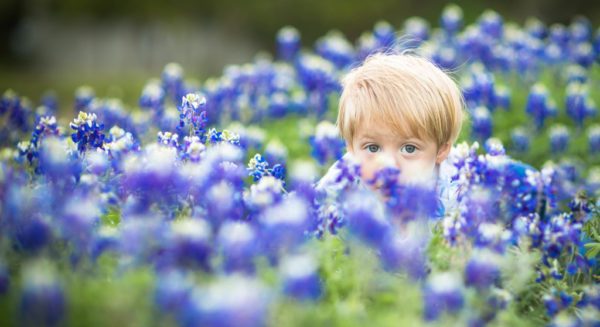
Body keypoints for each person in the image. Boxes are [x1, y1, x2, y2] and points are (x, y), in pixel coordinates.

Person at [316, 52, 465, 218]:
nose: (388, 165)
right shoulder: (341, 183)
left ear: (441, 151)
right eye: (373, 148)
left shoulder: (460, 185)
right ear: (350, 148)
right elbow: (312, 221)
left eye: (409, 148)